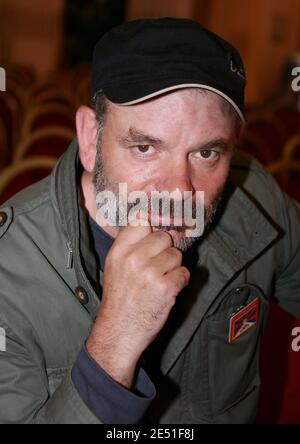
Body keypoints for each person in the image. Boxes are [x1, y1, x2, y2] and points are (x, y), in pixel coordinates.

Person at [0, 17, 299, 425]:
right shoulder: (8, 270)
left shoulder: (255, 201)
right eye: (145, 147)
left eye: (206, 154)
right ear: (90, 138)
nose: (178, 190)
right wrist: (112, 348)